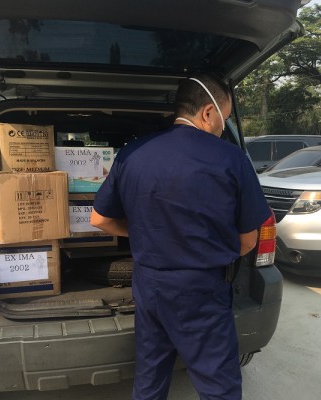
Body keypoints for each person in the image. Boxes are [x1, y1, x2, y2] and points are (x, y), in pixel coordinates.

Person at [90, 73, 271, 400]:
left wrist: (145, 231)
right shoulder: (230, 159)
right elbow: (247, 241)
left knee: (149, 378)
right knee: (218, 386)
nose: (221, 127)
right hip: (201, 289)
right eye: (223, 119)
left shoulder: (132, 154)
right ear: (207, 113)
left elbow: (99, 218)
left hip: (149, 286)